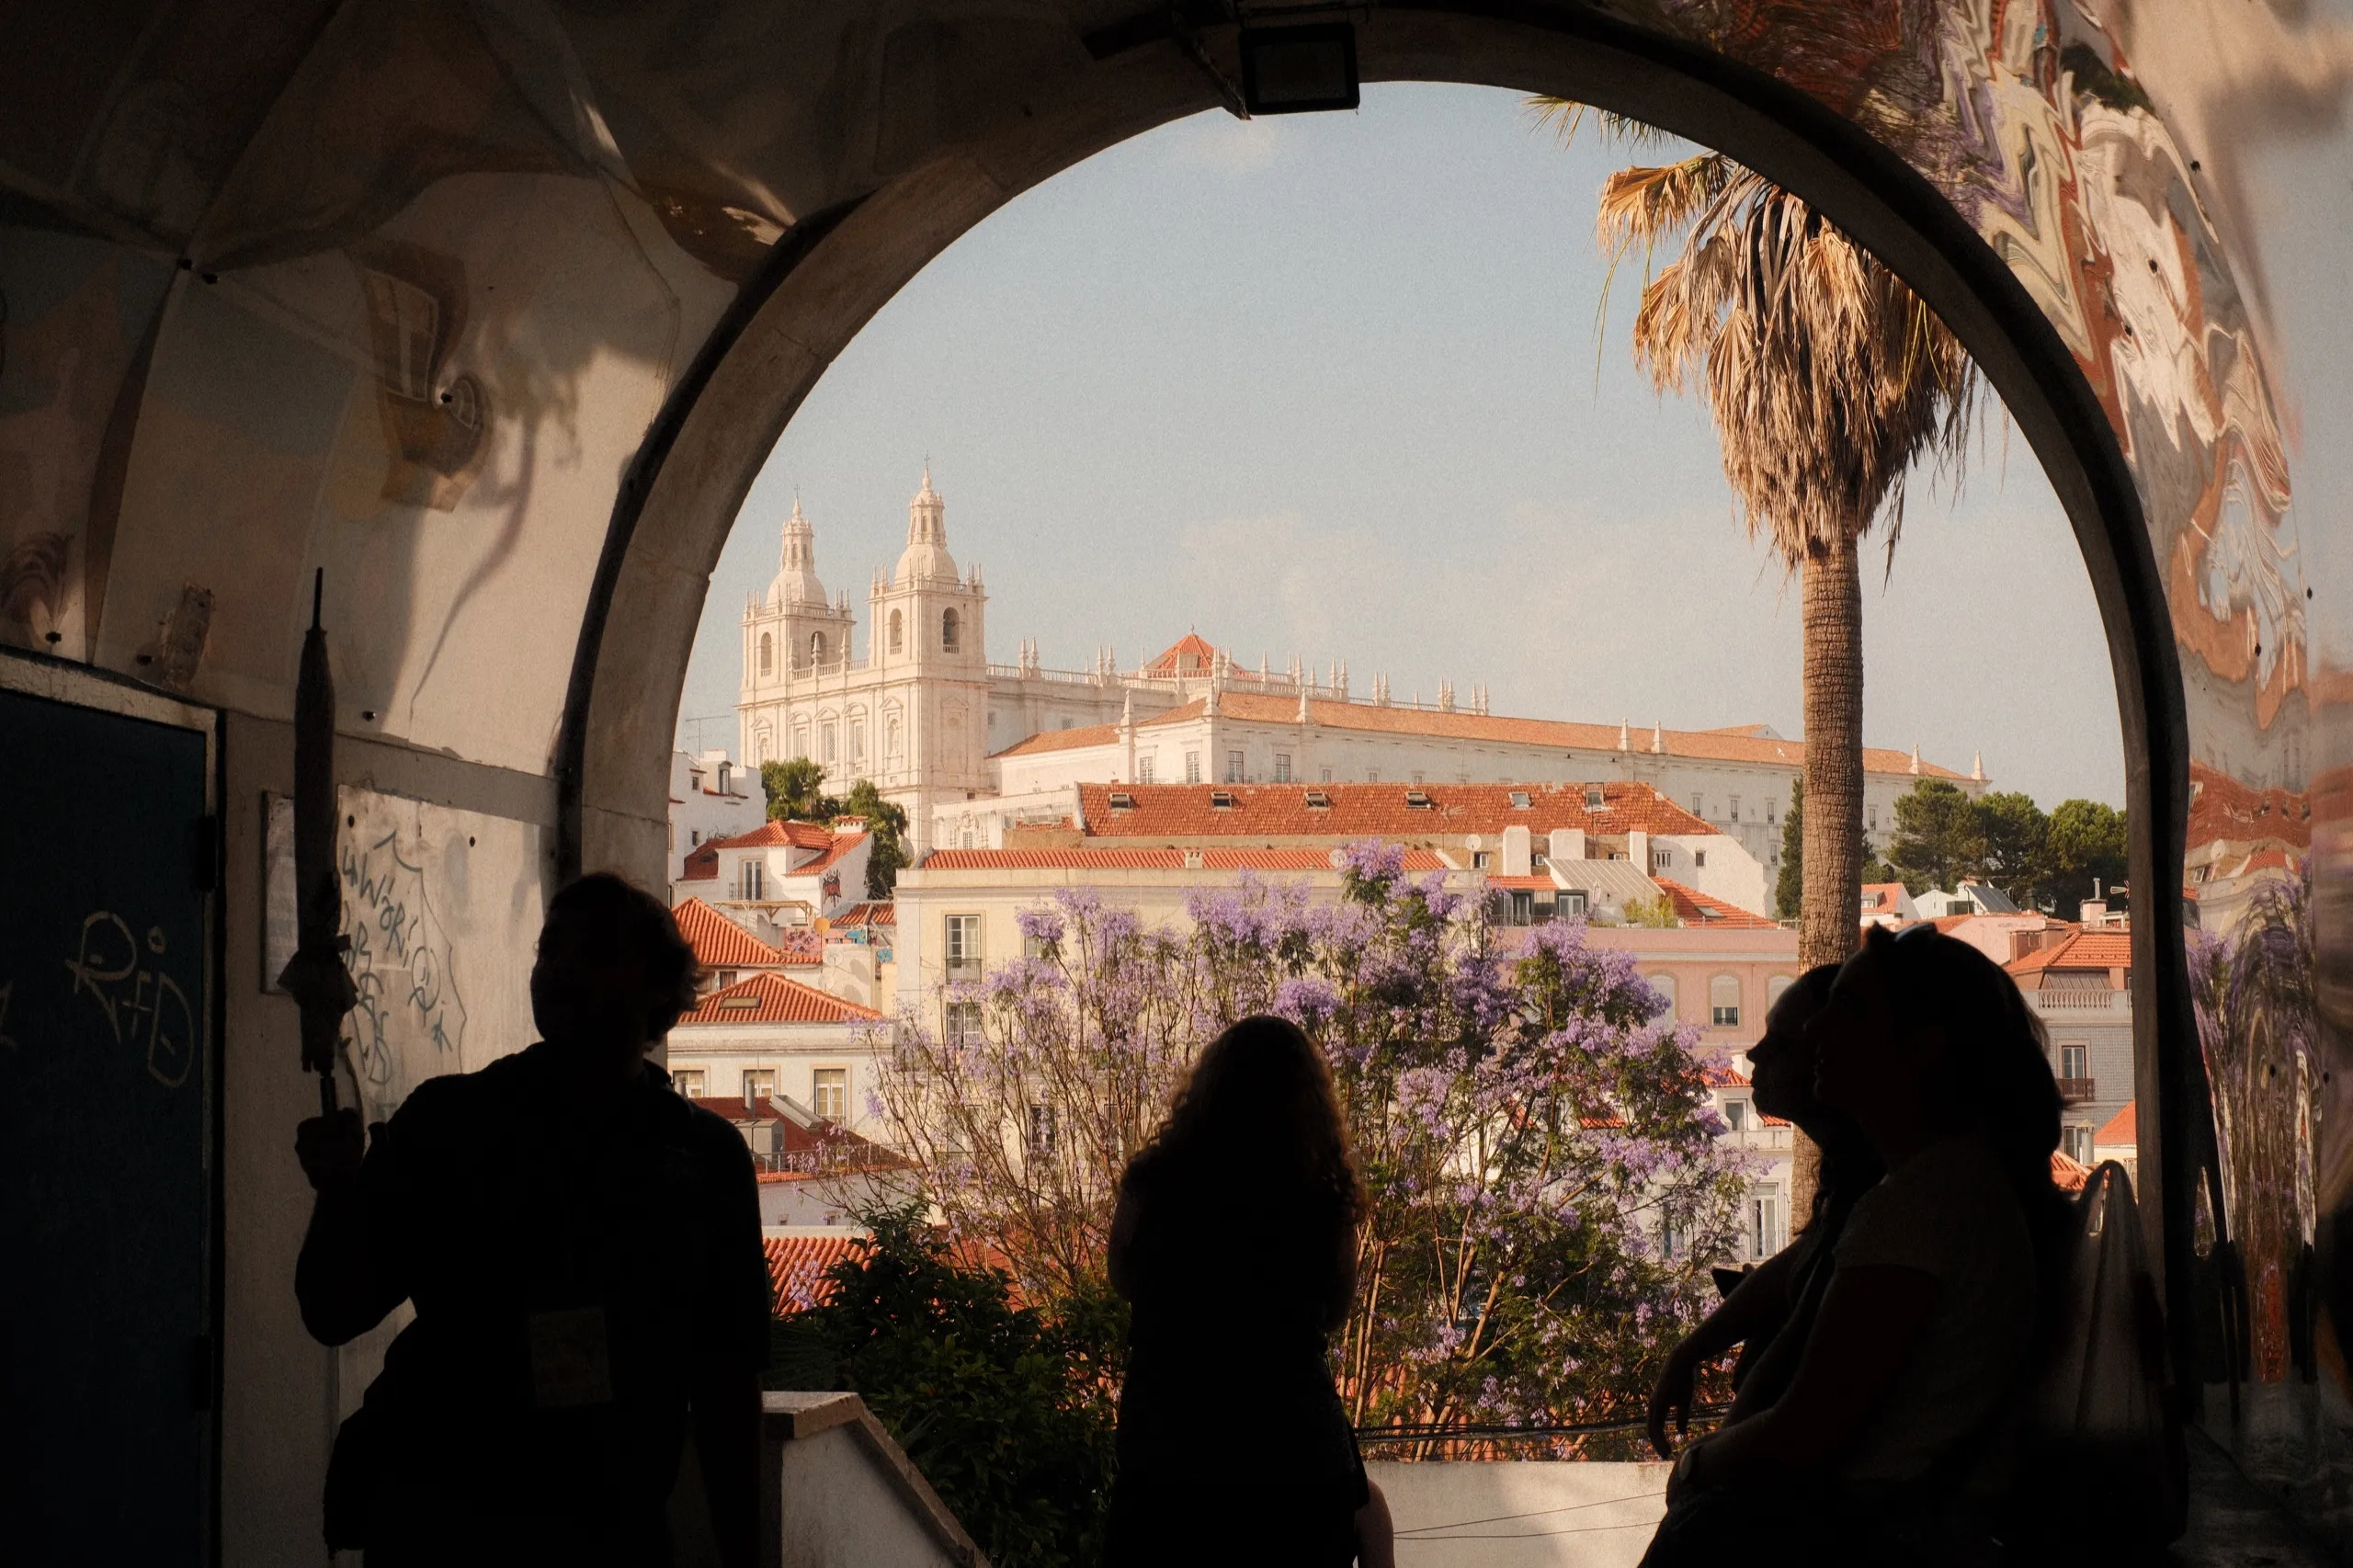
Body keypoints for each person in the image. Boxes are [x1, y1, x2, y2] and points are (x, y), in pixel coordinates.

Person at [294, 873, 768, 1567]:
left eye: (594, 952)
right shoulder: (696, 1158)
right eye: (553, 949)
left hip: (506, 1525)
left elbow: (728, 1386)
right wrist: (336, 1191)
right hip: (483, 1523)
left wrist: (339, 1192)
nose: (562, 969)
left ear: (658, 992)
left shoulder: (453, 1122)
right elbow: (334, 1310)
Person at [1639, 925, 2067, 1566]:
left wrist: (1697, 1467)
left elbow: (1807, 1429)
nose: (1815, 1033)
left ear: (1921, 1047)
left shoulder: (1918, 1212)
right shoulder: (1945, 1189)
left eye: (1846, 1010)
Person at [1104, 1015, 1394, 1568]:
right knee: (1366, 1509)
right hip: (1294, 1453)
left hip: (1168, 1449)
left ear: (1207, 1089)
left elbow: (1122, 1275)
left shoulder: (1154, 1181)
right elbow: (1336, 1310)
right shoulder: (1323, 1197)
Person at [1646, 964, 1884, 1458]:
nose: (1753, 1054)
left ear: (1831, 1060)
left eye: (1780, 1043)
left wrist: (1700, 1465)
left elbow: (1800, 1397)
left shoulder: (1888, 1210)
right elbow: (1798, 1264)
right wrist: (1691, 1351)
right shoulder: (1860, 1193)